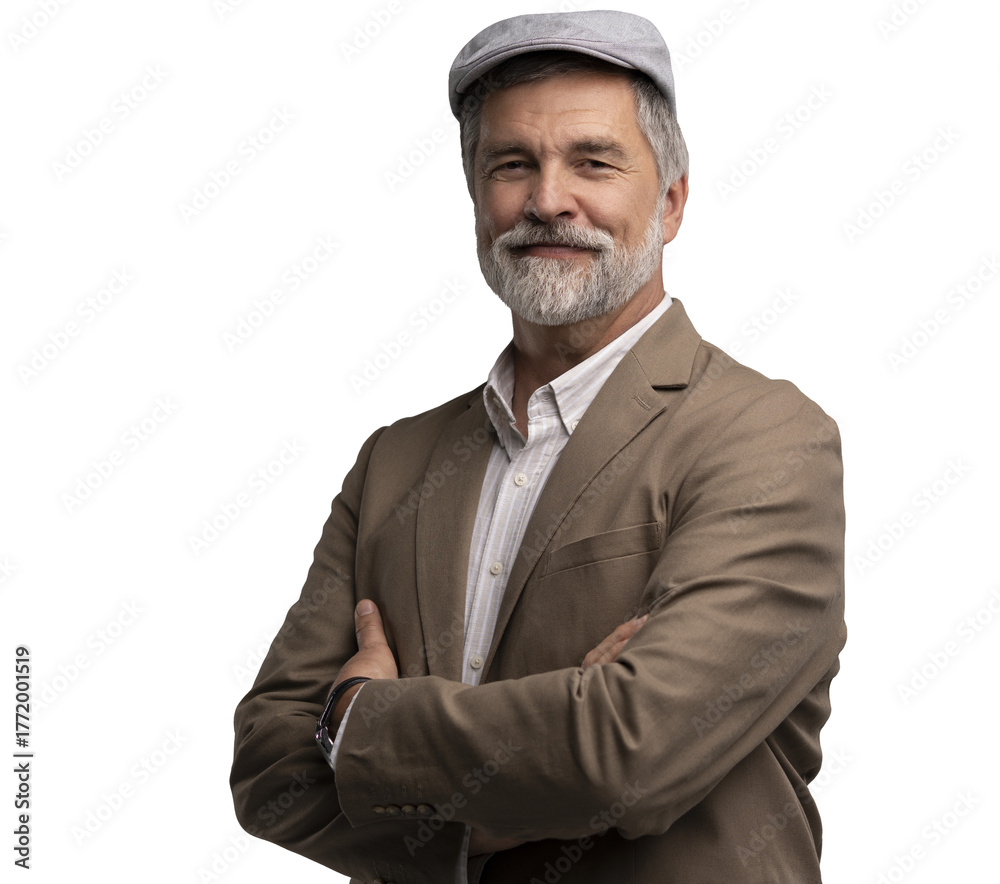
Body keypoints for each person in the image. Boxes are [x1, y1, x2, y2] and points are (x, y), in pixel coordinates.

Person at [230, 11, 846, 883]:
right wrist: (485, 820)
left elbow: (626, 751)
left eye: (594, 162)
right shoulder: (394, 463)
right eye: (512, 164)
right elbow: (267, 769)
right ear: (476, 198)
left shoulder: (767, 437)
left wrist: (357, 718)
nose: (548, 199)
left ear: (670, 202)